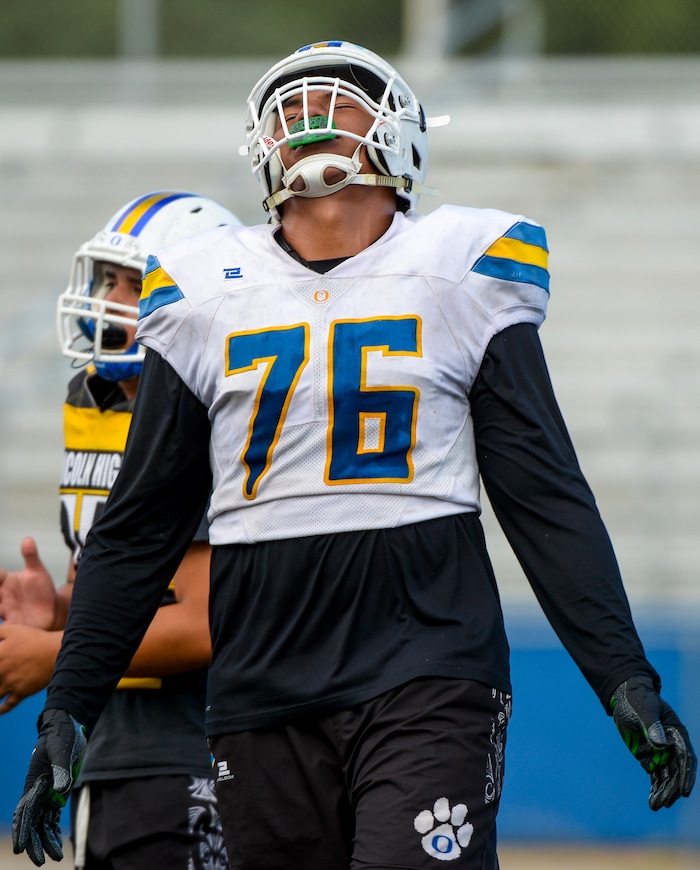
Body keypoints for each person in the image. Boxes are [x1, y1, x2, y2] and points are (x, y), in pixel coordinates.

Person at [12, 41, 696, 870]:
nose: (309, 116)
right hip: (262, 680)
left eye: (341, 101)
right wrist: (70, 705)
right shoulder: (201, 292)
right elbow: (140, 522)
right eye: (290, 107)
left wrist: (622, 673)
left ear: (399, 131)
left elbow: (543, 494)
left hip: (427, 663)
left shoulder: (463, 269)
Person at [2, 190, 241, 869]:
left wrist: (54, 659)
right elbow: (115, 580)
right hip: (108, 744)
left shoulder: (210, 407)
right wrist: (62, 616)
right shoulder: (94, 398)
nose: (109, 299)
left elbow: (201, 621)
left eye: (134, 285)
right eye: (108, 279)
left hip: (195, 746)